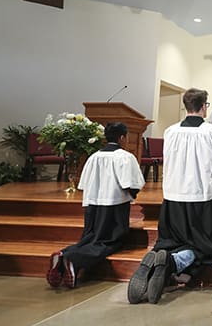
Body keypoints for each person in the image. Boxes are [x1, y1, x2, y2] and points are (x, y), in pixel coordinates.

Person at [128, 88, 212, 304]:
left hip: (173, 198)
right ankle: (173, 263)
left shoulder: (170, 131)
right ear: (204, 106)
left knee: (171, 240)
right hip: (201, 198)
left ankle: (156, 260)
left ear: (186, 106)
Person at [46, 122, 145, 289]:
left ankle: (65, 254)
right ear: (122, 138)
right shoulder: (125, 157)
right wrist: (132, 194)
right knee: (108, 242)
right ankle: (73, 259)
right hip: (114, 206)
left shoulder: (93, 156)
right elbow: (131, 185)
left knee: (91, 237)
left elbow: (83, 184)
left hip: (92, 205)